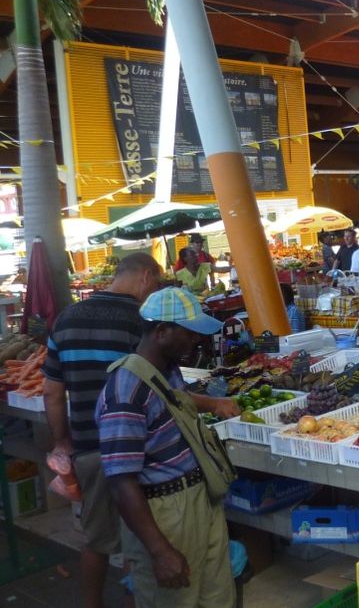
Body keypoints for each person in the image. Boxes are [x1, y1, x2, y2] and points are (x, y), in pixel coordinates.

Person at [96, 288, 239, 608]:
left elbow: (180, 402)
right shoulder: (125, 392)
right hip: (164, 512)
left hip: (199, 499)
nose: (196, 342)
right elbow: (121, 482)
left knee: (216, 598)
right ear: (161, 332)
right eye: (189, 334)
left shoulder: (167, 371)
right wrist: (160, 551)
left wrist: (214, 403)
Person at [43, 253, 163, 608]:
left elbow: (52, 391)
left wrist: (62, 441)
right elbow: (155, 385)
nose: (151, 291)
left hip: (89, 447)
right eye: (154, 284)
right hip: (136, 447)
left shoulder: (64, 320)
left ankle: (93, 604)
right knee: (143, 533)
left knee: (96, 537)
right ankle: (138, 599)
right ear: (145, 277)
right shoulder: (138, 322)